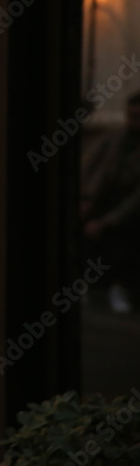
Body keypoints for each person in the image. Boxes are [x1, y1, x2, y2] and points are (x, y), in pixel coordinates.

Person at [82, 90, 140, 313]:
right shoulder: (116, 138)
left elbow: (135, 200)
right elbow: (93, 170)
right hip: (104, 199)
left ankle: (119, 286)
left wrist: (107, 221)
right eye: (131, 116)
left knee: (120, 235)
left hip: (127, 209)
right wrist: (85, 200)